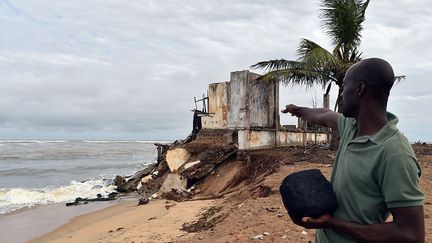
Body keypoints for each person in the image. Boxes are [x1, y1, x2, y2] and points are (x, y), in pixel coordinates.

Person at [282, 58, 424, 243]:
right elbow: (324, 114)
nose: (340, 95)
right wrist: (298, 110)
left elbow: (411, 234)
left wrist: (333, 224)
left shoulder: (395, 153)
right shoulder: (351, 127)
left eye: (344, 87)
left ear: (359, 89)